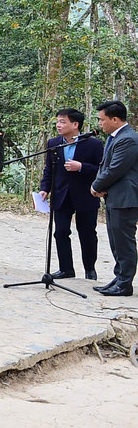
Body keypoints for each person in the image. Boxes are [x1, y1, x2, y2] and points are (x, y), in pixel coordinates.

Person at [40, 108, 104, 281]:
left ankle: (90, 269)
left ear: (75, 125)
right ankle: (66, 268)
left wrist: (81, 167)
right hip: (61, 194)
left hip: (85, 195)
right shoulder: (54, 143)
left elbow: (101, 170)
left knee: (87, 233)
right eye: (58, 121)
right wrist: (45, 187)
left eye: (63, 122)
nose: (58, 125)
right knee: (60, 232)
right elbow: (49, 169)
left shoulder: (94, 144)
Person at [91, 101, 138, 297]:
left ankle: (125, 283)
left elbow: (115, 169)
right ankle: (119, 278)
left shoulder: (128, 139)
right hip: (114, 197)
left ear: (115, 119)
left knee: (124, 241)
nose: (100, 123)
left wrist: (96, 186)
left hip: (125, 198)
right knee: (115, 240)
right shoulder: (116, 137)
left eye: (102, 120)